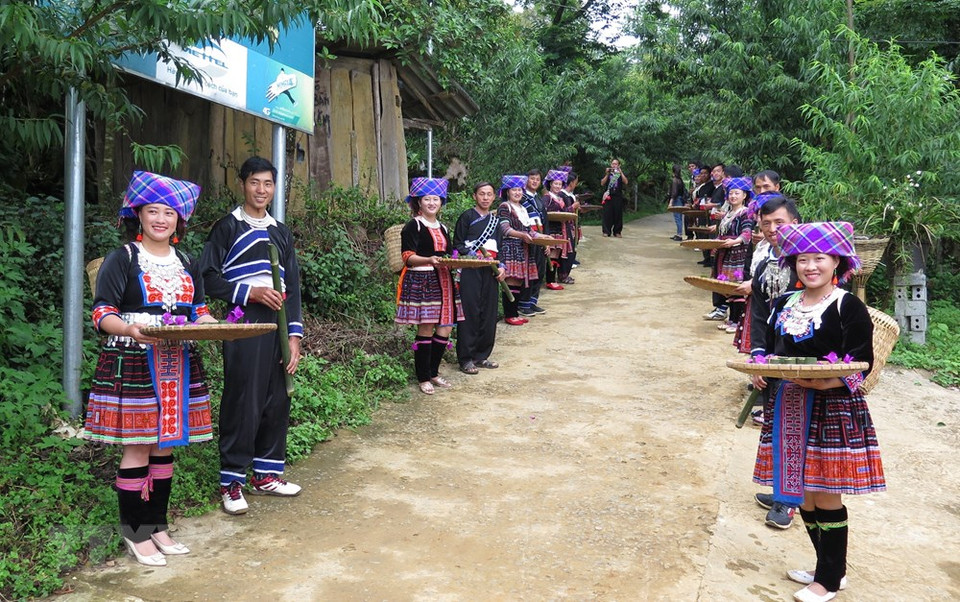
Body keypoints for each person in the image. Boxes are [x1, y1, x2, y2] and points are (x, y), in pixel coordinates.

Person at [85, 171, 215, 566]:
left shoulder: (187, 261)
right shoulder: (122, 258)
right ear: (138, 215)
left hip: (178, 360)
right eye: (152, 210)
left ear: (179, 221)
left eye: (169, 213)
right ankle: (135, 533)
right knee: (138, 447)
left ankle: (157, 526)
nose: (161, 218)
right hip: (134, 359)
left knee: (165, 446)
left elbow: (201, 313)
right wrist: (130, 328)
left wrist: (220, 327)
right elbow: (102, 312)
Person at [752, 221, 884, 602]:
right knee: (802, 496)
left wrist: (825, 382)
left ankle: (827, 580)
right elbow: (773, 348)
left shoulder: (847, 304)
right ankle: (830, 569)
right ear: (794, 263)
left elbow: (863, 363)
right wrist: (763, 367)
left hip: (833, 409)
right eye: (803, 259)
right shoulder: (785, 304)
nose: (811, 266)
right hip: (790, 405)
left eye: (820, 258)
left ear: (837, 262)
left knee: (826, 495)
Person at [200, 156, 304, 515]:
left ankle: (266, 473)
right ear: (242, 184)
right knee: (244, 396)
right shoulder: (228, 228)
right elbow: (207, 278)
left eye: (268, 184)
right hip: (242, 319)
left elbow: (293, 287)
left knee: (277, 396)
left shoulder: (281, 231)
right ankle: (232, 480)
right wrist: (250, 292)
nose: (262, 190)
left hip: (278, 318)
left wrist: (294, 335)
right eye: (255, 182)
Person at [732, 196, 801, 527]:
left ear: (795, 223)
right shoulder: (763, 266)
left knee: (795, 430)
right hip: (773, 358)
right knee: (776, 425)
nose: (773, 230)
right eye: (766, 224)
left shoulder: (809, 263)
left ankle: (788, 502)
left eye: (780, 223)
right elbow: (759, 317)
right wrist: (758, 358)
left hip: (804, 362)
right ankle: (780, 491)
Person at [394, 177, 463, 394]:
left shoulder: (443, 226)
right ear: (418, 202)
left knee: (444, 328)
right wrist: (429, 259)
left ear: (441, 201)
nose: (432, 203)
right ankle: (423, 377)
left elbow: (450, 253)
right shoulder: (413, 225)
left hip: (445, 281)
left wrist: (456, 262)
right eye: (427, 199)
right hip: (423, 280)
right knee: (426, 327)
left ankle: (434, 372)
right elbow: (407, 256)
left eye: (436, 199)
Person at [452, 182, 506, 375]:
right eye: (481, 194)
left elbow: (501, 247)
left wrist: (501, 267)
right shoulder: (467, 216)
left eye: (489, 194)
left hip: (490, 270)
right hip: (471, 269)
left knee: (489, 312)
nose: (485, 197)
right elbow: (457, 244)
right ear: (474, 196)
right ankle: (466, 358)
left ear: (494, 197)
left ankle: (482, 355)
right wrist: (474, 256)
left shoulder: (496, 221)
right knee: (470, 312)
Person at [703, 177, 755, 330]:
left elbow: (747, 234)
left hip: (737, 254)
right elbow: (722, 233)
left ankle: (737, 321)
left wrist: (734, 242)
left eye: (737, 193)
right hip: (724, 253)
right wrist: (715, 245)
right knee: (727, 287)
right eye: (731, 193)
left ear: (744, 195)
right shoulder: (728, 213)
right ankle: (732, 319)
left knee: (736, 287)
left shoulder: (745, 213)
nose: (733, 196)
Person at [497, 174, 540, 325]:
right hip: (510, 248)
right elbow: (504, 229)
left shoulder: (522, 208)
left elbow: (530, 230)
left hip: (523, 249)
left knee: (518, 283)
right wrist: (522, 235)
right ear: (507, 192)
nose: (517, 193)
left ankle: (514, 313)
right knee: (511, 282)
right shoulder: (505, 207)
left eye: (520, 190)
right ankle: (510, 315)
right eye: (514, 190)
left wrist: (545, 237)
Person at [519, 169, 548, 317]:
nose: (535, 181)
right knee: (529, 272)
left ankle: (532, 302)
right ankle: (523, 304)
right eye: (532, 179)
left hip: (540, 237)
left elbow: (545, 221)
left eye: (537, 179)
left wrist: (546, 241)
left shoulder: (539, 199)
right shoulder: (521, 198)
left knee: (539, 270)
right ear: (526, 180)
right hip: (528, 238)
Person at [541, 169, 574, 289]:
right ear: (550, 184)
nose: (557, 186)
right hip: (551, 229)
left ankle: (551, 279)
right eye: (555, 183)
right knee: (551, 255)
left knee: (556, 255)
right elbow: (544, 213)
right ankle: (549, 280)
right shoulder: (547, 197)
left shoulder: (560, 198)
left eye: (560, 184)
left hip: (560, 229)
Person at [600, 158, 629, 237]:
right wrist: (607, 174)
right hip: (609, 195)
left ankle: (617, 231)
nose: (614, 165)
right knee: (607, 214)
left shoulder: (619, 175)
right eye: (613, 164)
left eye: (616, 164)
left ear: (619, 165)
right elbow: (602, 183)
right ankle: (606, 231)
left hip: (617, 196)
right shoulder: (608, 174)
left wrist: (621, 172)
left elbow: (626, 182)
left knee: (618, 214)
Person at [668, 163, 687, 241]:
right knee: (679, 217)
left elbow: (674, 192)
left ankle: (679, 235)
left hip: (677, 200)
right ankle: (678, 233)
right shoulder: (680, 180)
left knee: (677, 217)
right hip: (680, 199)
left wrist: (671, 202)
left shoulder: (675, 180)